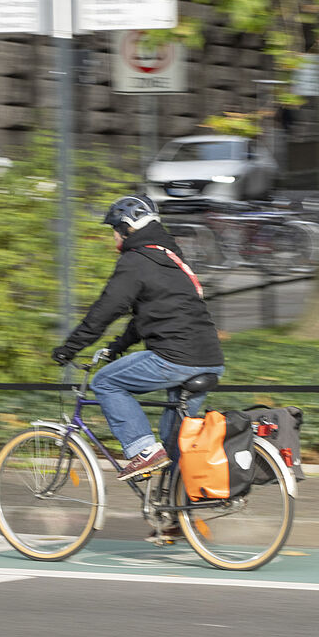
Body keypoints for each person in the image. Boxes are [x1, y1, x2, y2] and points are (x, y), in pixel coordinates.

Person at [51, 196, 225, 481]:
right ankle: (175, 516)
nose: (114, 237)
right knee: (175, 446)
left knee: (105, 382)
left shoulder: (136, 261)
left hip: (175, 358)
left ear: (128, 228)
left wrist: (70, 348)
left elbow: (105, 310)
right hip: (210, 359)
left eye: (115, 230)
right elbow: (150, 314)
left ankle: (142, 450)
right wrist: (118, 346)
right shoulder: (171, 258)